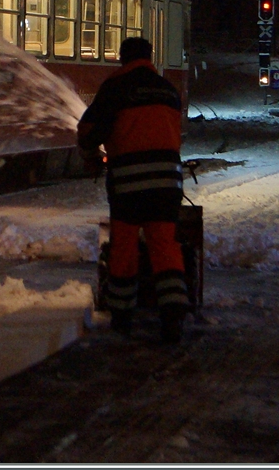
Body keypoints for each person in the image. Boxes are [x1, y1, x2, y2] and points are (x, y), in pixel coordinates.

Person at [78, 36, 189, 343]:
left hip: (129, 184)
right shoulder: (167, 90)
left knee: (124, 247)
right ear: (150, 57)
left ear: (122, 59)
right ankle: (173, 316)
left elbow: (88, 130)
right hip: (168, 182)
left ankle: (122, 316)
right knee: (165, 246)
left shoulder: (116, 87)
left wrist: (91, 155)